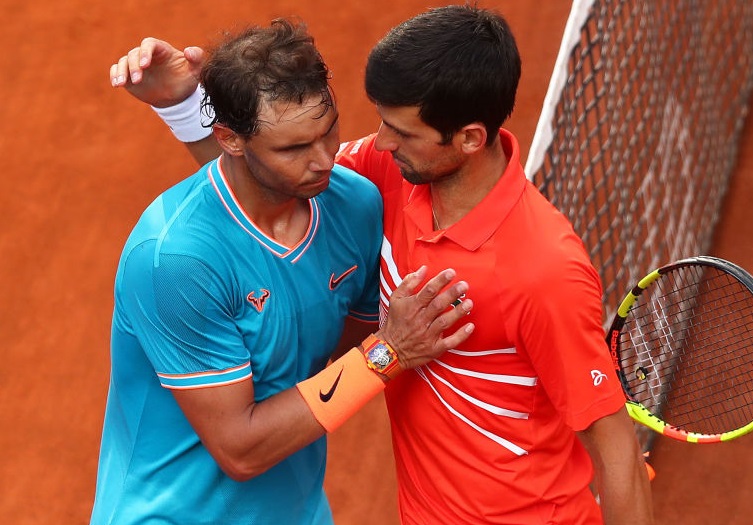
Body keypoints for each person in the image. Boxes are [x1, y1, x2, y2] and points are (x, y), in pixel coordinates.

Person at [108, 5, 655, 524]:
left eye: (401, 132)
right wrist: (188, 107)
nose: (374, 144)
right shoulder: (384, 176)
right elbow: (258, 185)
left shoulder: (543, 270)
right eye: (380, 123)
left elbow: (618, 455)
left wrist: (382, 350)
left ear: (468, 139)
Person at [92, 19, 475, 525]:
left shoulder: (354, 205)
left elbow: (332, 360)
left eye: (328, 131)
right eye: (293, 148)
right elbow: (242, 451)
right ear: (229, 139)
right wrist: (392, 350)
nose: (323, 161)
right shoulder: (174, 260)